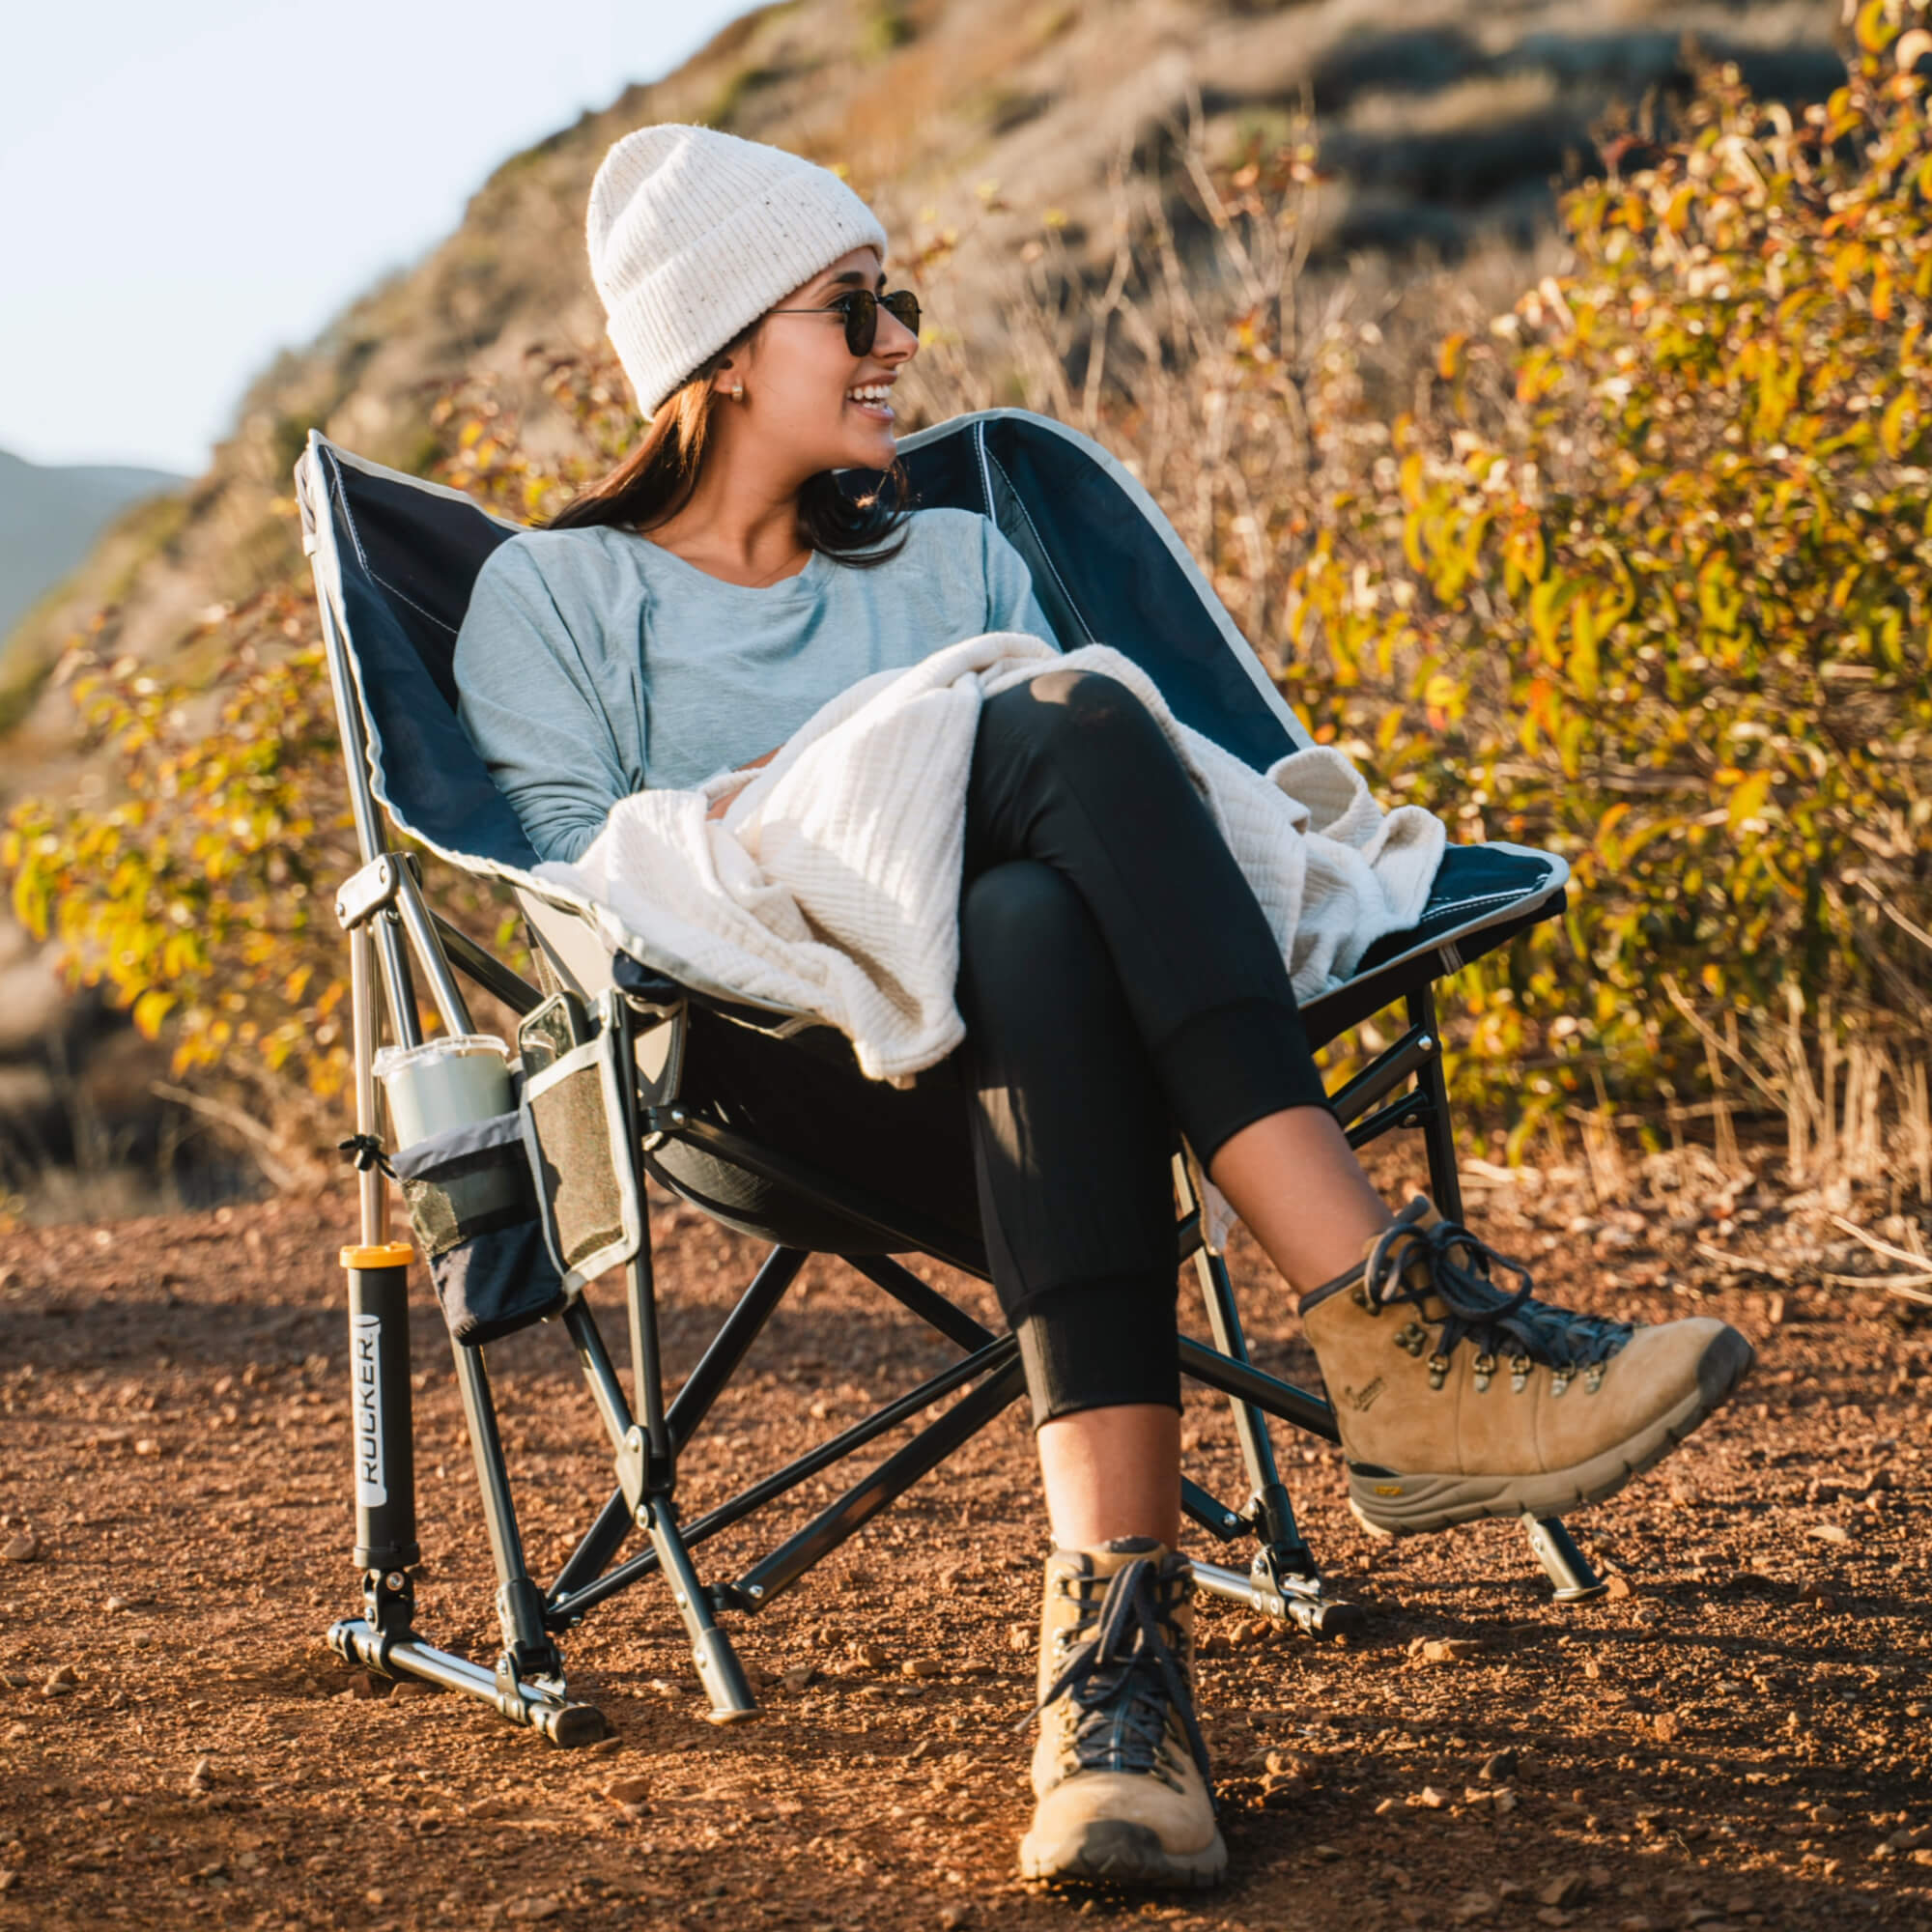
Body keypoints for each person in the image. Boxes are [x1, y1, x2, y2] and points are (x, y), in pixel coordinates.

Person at [454, 124, 1753, 1890]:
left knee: (1029, 918)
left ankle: (1117, 1690)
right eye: (856, 308)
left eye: (891, 303)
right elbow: (583, 892)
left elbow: (1084, 825)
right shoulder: (558, 595)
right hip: (780, 1085)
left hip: (1075, 1072)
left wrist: (914, 772)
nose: (899, 340)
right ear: (727, 347)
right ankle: (1391, 1329)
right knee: (1052, 727)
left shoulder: (951, 564)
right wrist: (846, 780)